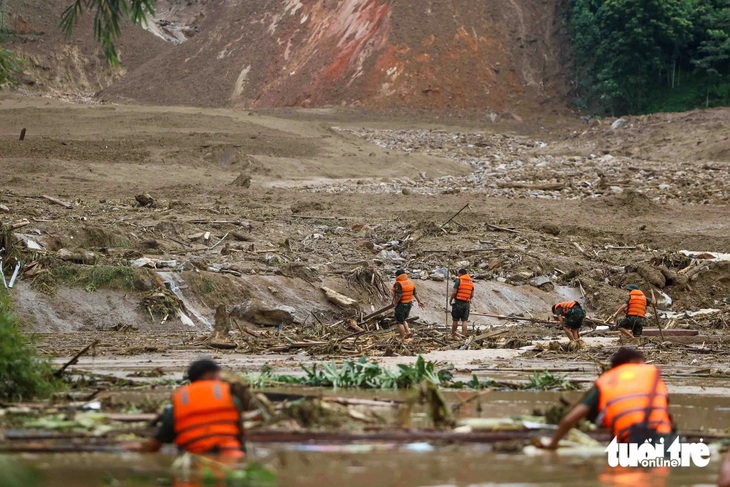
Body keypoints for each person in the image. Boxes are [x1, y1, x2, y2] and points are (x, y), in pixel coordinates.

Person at [542, 348, 675, 449]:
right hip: (665, 440)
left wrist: (553, 444)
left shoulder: (608, 381)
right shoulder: (653, 377)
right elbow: (665, 413)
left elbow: (569, 420)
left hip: (630, 442)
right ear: (636, 362)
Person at [127, 359, 246, 458]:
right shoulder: (229, 398)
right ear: (212, 375)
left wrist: (139, 447)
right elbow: (240, 437)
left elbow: (156, 444)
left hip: (195, 458)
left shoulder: (181, 400)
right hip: (231, 454)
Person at [392, 269, 425, 339]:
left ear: (397, 276)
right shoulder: (410, 282)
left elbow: (399, 295)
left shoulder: (398, 283)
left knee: (399, 322)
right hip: (409, 304)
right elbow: (415, 293)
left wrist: (395, 303)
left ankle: (403, 338)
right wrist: (419, 301)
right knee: (403, 319)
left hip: (401, 305)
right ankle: (408, 332)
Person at [450, 268, 474, 337]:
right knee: (464, 320)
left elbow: (454, 292)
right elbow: (472, 295)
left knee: (455, 319)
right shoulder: (471, 282)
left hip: (458, 302)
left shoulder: (459, 281)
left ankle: (453, 334)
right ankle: (463, 335)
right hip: (466, 303)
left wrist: (451, 299)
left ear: (460, 273)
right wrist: (467, 299)